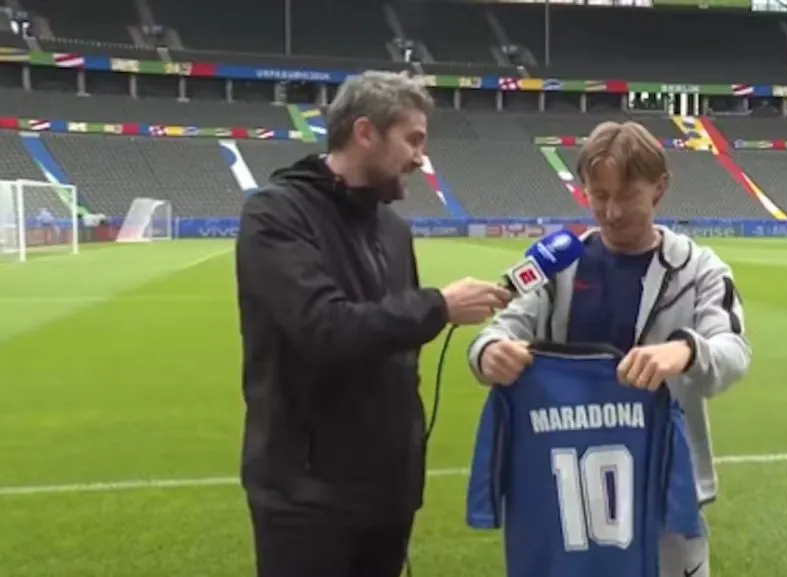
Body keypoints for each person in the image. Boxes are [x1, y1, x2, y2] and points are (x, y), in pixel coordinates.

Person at [235, 70, 513, 577]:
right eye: (412, 138)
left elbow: (396, 353)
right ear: (365, 132)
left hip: (387, 494)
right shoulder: (275, 214)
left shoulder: (393, 227)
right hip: (306, 498)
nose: (420, 157)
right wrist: (438, 307)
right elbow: (323, 328)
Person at [466, 121, 752, 577]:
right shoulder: (557, 263)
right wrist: (489, 352)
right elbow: (496, 331)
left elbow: (733, 352)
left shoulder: (699, 269)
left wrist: (686, 352)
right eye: (598, 196)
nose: (612, 211)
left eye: (627, 195)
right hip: (569, 493)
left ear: (659, 188)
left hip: (666, 491)